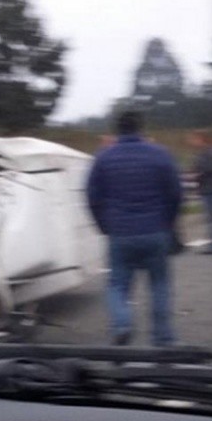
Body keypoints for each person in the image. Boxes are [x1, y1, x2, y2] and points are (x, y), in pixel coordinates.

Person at [86, 110, 182, 346]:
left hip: (120, 233)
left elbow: (92, 197)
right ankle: (163, 338)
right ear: (141, 128)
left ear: (117, 130)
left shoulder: (103, 158)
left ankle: (122, 324)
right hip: (155, 231)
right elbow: (176, 193)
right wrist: (168, 222)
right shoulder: (161, 155)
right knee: (159, 285)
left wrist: (104, 226)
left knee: (117, 285)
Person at [190, 130, 212, 254]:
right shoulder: (204, 153)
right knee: (211, 218)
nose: (193, 142)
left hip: (210, 189)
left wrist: (197, 175)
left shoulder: (210, 153)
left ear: (202, 139)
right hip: (207, 189)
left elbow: (207, 169)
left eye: (195, 139)